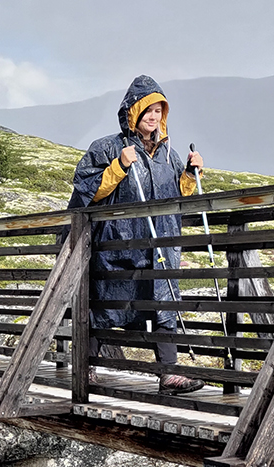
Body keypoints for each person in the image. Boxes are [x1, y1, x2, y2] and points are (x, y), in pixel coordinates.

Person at [67, 75, 204, 394]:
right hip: (119, 242)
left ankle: (169, 374)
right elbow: (88, 192)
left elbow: (177, 200)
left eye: (159, 110)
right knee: (104, 303)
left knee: (163, 302)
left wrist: (190, 173)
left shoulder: (168, 153)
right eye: (147, 111)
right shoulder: (107, 147)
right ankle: (86, 366)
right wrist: (118, 166)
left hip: (160, 245)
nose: (153, 117)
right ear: (132, 113)